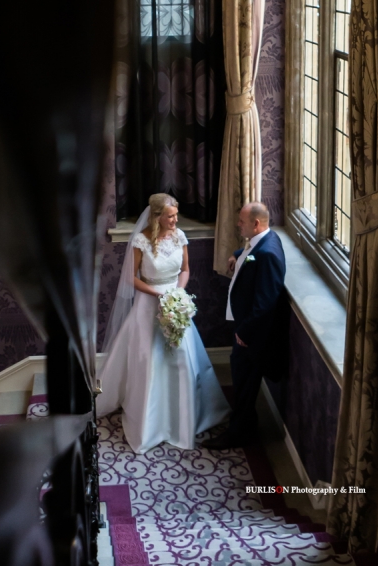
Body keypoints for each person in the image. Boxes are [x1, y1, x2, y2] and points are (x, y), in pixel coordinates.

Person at [97, 193, 230, 454]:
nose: (175, 220)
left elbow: (185, 270)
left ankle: (183, 418)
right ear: (157, 216)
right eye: (170, 216)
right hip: (149, 306)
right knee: (151, 361)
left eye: (176, 215)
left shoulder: (180, 236)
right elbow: (131, 278)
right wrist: (159, 295)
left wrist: (177, 293)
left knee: (181, 358)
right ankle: (150, 423)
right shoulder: (141, 241)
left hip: (175, 304)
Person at [202, 202, 286, 450]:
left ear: (256, 223)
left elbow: (265, 302)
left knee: (244, 384)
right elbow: (251, 253)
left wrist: (244, 332)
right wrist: (237, 254)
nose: (238, 224)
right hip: (245, 327)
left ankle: (237, 434)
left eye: (241, 221)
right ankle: (246, 424)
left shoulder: (268, 254)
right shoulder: (263, 241)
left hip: (252, 335)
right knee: (242, 380)